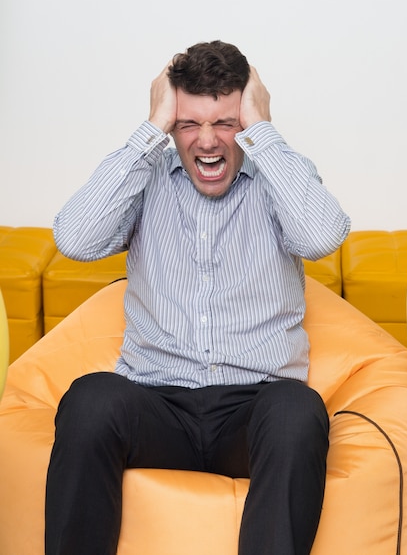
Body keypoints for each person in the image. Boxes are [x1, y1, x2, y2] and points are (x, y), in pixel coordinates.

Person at [45, 40, 351, 555]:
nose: (207, 141)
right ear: (172, 126)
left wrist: (262, 128)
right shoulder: (145, 180)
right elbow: (74, 240)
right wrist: (151, 125)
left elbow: (322, 237)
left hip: (252, 410)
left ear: (247, 121)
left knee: (298, 410)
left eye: (225, 123)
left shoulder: (280, 177)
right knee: (90, 400)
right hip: (157, 405)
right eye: (189, 124)